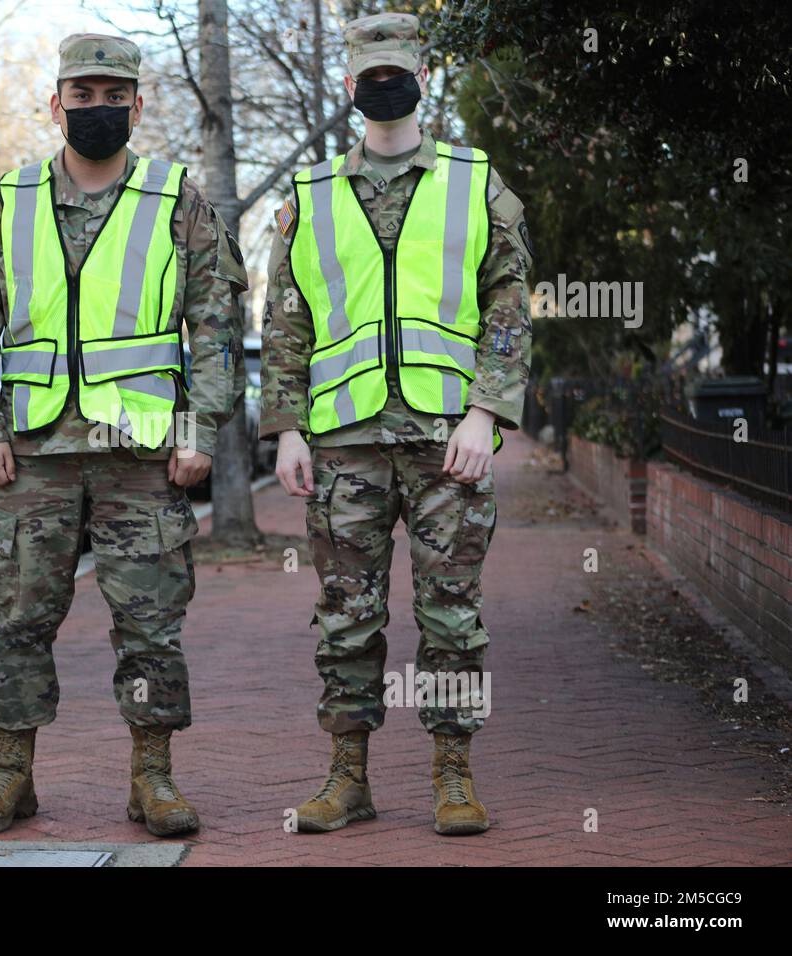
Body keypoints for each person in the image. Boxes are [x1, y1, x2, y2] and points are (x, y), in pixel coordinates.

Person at [0, 33, 248, 837]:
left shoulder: (176, 199)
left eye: (114, 95)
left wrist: (199, 430)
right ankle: (10, 774)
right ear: (56, 103)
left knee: (150, 624)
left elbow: (214, 325)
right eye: (82, 95)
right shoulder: (8, 200)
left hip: (142, 457)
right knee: (16, 617)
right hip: (32, 454)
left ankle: (153, 779)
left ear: (138, 105)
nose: (98, 109)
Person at [260, 12, 534, 835]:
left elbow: (511, 305)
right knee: (347, 616)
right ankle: (349, 778)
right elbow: (285, 320)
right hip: (343, 443)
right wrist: (285, 428)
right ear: (350, 86)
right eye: (370, 74)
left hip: (448, 434)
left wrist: (487, 410)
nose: (384, 85)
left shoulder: (473, 180)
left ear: (422, 78)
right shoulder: (308, 197)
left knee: (452, 613)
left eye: (397, 71)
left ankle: (453, 776)